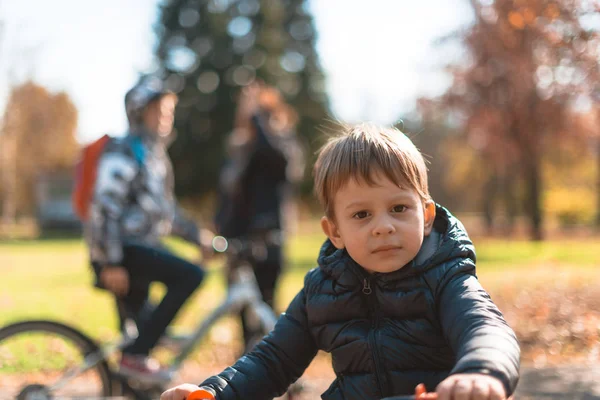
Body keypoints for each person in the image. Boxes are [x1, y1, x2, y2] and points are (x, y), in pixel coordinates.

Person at [161, 123, 521, 400]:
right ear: (335, 231)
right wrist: (217, 392)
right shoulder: (323, 290)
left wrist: (481, 371)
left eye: (398, 208)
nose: (383, 227)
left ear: (426, 216)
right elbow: (272, 360)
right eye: (362, 215)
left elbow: (485, 329)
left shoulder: (446, 279)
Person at [85, 77, 212, 381]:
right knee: (190, 274)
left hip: (140, 248)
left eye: (169, 109)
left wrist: (200, 239)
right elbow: (104, 205)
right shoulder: (124, 149)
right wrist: (110, 261)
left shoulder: (155, 157)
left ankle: (137, 360)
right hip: (123, 251)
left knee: (143, 338)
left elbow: (167, 214)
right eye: (159, 109)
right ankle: (136, 356)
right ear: (139, 112)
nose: (167, 115)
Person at [214, 82, 304, 351]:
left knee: (266, 307)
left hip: (268, 240)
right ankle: (247, 370)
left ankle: (277, 365)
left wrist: (255, 114)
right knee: (242, 310)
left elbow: (275, 160)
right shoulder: (238, 150)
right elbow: (227, 197)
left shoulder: (282, 145)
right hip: (238, 241)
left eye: (260, 113)